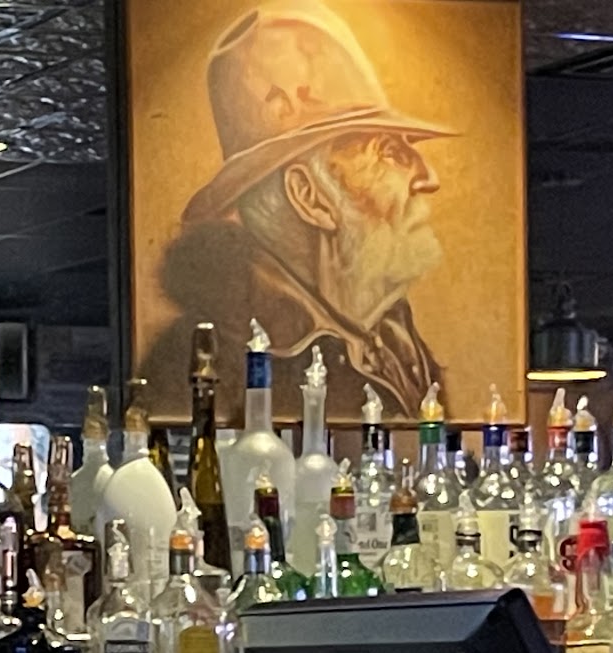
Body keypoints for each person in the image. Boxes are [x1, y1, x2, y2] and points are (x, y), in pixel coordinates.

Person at [145, 1, 456, 420]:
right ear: (310, 196)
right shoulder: (206, 358)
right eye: (389, 153)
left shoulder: (395, 341)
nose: (428, 176)